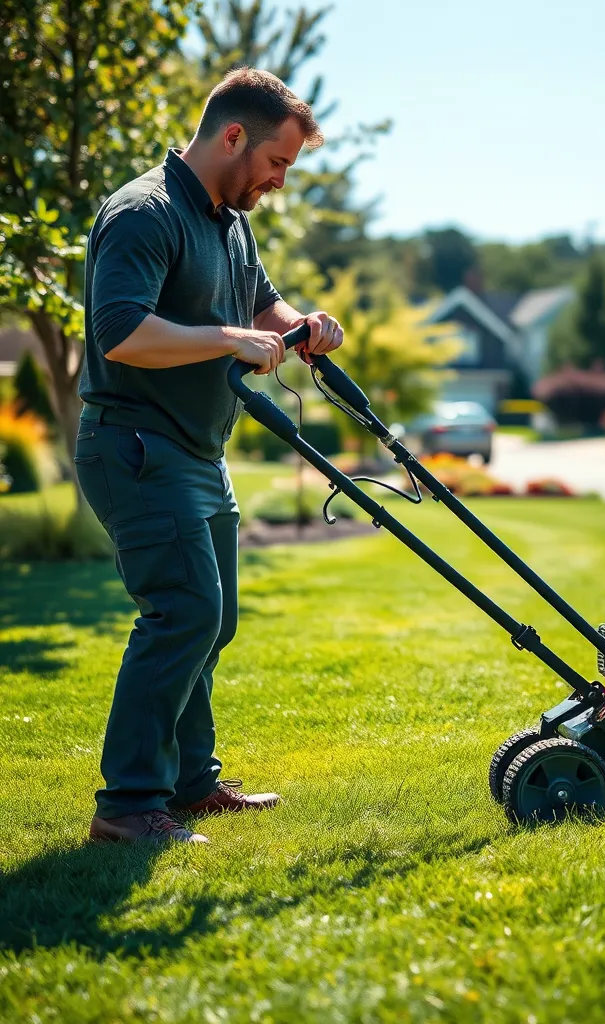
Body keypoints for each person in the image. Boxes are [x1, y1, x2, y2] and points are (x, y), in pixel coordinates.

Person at [75, 68, 343, 845]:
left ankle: (191, 784)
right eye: (277, 163)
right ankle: (127, 805)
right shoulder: (142, 213)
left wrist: (303, 324)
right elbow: (120, 332)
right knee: (182, 612)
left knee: (210, 621)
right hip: (134, 446)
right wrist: (228, 339)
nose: (279, 182)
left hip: (198, 450)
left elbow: (261, 301)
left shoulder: (230, 219)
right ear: (233, 137)